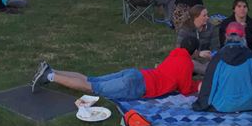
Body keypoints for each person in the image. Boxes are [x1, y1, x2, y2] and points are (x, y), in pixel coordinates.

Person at [26, 34, 204, 102]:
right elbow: (185, 88)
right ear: (194, 51)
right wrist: (198, 84)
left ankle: (53, 69)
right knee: (91, 87)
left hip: (137, 74)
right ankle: (50, 76)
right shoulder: (187, 63)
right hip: (138, 86)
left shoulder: (175, 54)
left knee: (90, 79)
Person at [201, 22, 252, 113]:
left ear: (226, 36)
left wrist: (203, 103)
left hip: (223, 105)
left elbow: (208, 85)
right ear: (243, 36)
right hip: (251, 103)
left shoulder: (218, 58)